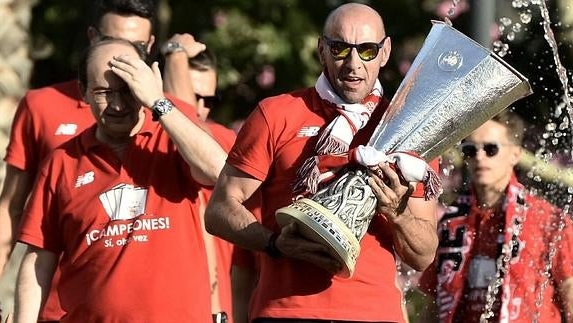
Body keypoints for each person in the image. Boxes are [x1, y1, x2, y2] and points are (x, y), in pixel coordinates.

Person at [204, 3, 439, 322]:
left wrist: (396, 212)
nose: (353, 64)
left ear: (385, 53)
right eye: (340, 48)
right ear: (321, 50)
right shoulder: (276, 113)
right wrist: (274, 243)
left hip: (372, 313)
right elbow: (219, 210)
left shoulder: (409, 129)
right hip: (285, 312)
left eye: (367, 51)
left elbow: (423, 256)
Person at [13, 38, 227, 323]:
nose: (117, 104)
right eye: (103, 92)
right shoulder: (62, 162)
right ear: (83, 93)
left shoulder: (175, 140)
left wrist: (157, 101)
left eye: (127, 90)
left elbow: (218, 171)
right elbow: (39, 261)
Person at [0, 1, 158, 322]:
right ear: (91, 36)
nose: (120, 56)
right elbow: (10, 208)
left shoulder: (166, 114)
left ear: (150, 46)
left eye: (136, 47)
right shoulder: (41, 105)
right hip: (55, 306)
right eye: (110, 41)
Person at [417, 110, 573, 322]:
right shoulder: (449, 223)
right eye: (470, 150)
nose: (480, 156)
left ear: (515, 154)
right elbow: (435, 305)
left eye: (491, 148)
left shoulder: (549, 221)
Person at [160, 33, 238, 323]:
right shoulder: (142, 143)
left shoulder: (219, 138)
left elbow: (188, 127)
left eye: (210, 98)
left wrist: (175, 53)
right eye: (194, 96)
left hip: (213, 310)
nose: (202, 107)